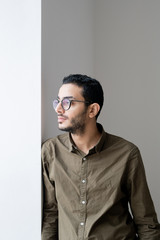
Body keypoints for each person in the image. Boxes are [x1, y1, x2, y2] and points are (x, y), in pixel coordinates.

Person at [41, 74, 160, 240]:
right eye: (57, 101)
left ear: (92, 110)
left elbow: (146, 221)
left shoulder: (127, 154)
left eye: (68, 102)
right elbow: (50, 216)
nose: (58, 109)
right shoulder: (51, 151)